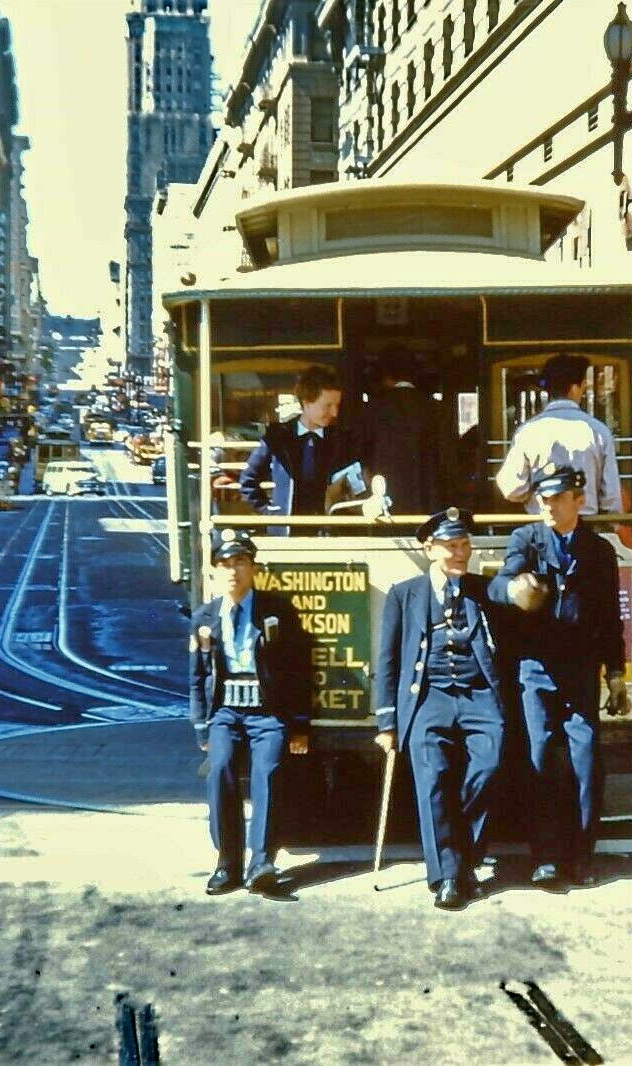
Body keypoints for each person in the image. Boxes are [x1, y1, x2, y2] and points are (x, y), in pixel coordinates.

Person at [488, 466, 627, 889]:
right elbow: (498, 586)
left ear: (578, 501)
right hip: (536, 669)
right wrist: (515, 591)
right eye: (542, 500)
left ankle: (582, 856)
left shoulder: (599, 551)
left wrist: (616, 674)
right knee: (540, 759)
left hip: (581, 671)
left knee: (587, 764)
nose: (547, 506)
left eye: (556, 499)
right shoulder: (526, 541)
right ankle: (545, 857)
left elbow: (608, 619)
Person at [373, 507, 507, 911]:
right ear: (430, 549)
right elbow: (388, 660)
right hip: (427, 698)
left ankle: (462, 853)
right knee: (432, 779)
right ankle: (450, 874)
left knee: (489, 766)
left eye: (466, 544)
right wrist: (387, 721)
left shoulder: (485, 590)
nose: (462, 553)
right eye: (452, 546)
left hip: (479, 695)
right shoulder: (404, 593)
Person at [188, 528, 313, 897]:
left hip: (268, 712)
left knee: (269, 773)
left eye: (240, 562)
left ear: (254, 568)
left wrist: (300, 725)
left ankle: (262, 861)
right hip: (226, 712)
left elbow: (298, 669)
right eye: (225, 564)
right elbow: (196, 676)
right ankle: (227, 863)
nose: (232, 571)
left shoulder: (277, 610)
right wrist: (201, 728)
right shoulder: (204, 618)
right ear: (214, 571)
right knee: (221, 770)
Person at [494, 354, 624, 517]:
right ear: (575, 387)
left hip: (542, 526)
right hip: (586, 526)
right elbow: (611, 497)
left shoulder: (528, 431)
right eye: (583, 386)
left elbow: (512, 488)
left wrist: (537, 493)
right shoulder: (598, 431)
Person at [239, 364, 361, 521]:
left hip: (329, 530)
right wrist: (270, 513)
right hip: (288, 531)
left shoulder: (342, 439)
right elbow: (248, 481)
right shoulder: (277, 437)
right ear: (307, 402)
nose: (334, 412)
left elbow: (355, 482)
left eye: (337, 405)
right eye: (327, 405)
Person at [356, 345, 458, 514]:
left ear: (384, 375)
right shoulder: (436, 409)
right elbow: (448, 462)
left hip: (384, 506)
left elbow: (362, 460)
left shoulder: (373, 410)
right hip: (429, 502)